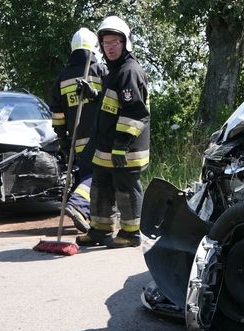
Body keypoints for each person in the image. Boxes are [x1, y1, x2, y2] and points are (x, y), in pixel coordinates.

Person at [75, 16, 150, 248]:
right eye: (106, 43)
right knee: (100, 188)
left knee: (125, 191)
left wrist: (121, 145)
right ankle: (100, 230)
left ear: (125, 43)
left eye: (115, 42)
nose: (110, 47)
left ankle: (131, 234)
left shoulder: (129, 71)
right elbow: (112, 106)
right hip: (107, 147)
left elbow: (135, 112)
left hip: (124, 149)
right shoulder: (114, 71)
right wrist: (93, 96)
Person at [49, 27, 108, 233]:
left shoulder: (63, 77)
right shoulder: (101, 71)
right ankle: (78, 205)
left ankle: (86, 214)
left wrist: (62, 138)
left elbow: (57, 112)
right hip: (100, 137)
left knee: (86, 176)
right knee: (99, 176)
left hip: (77, 140)